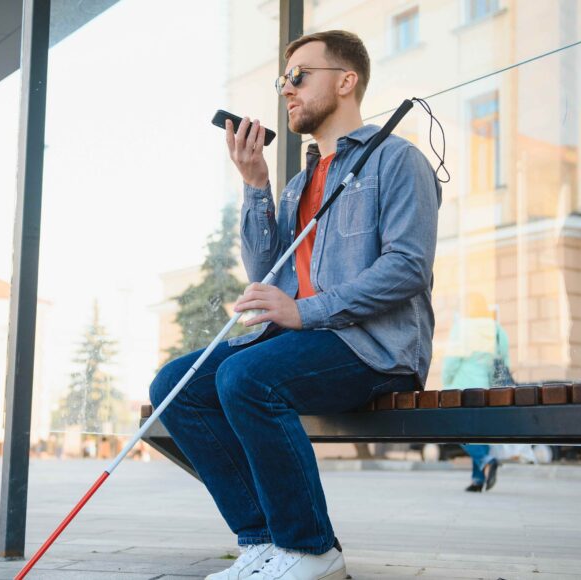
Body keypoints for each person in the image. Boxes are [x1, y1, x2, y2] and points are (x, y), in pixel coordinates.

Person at [149, 30, 441, 580]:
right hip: (306, 342)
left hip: (374, 348)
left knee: (247, 378)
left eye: (300, 76)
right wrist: (254, 183)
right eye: (283, 79)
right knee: (175, 386)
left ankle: (312, 549)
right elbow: (268, 273)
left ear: (346, 81)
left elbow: (407, 268)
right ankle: (264, 541)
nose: (287, 89)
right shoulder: (297, 184)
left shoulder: (397, 161)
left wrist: (303, 312)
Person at [442, 294, 511, 493]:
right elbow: (504, 362)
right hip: (485, 389)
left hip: (461, 388)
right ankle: (478, 479)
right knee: (478, 433)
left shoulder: (462, 328)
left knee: (458, 431)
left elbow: (451, 361)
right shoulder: (497, 330)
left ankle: (486, 460)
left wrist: (446, 381)